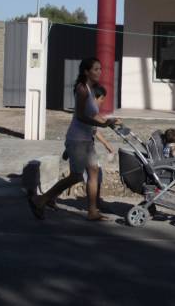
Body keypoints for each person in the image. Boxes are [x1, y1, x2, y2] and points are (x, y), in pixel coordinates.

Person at [29, 57, 119, 221]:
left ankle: (92, 211)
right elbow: (81, 116)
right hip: (77, 140)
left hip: (87, 140)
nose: (99, 72)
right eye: (96, 69)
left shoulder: (91, 89)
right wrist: (103, 124)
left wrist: (109, 121)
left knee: (93, 172)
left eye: (100, 69)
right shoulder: (82, 89)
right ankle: (41, 199)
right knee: (76, 176)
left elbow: (93, 114)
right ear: (86, 71)